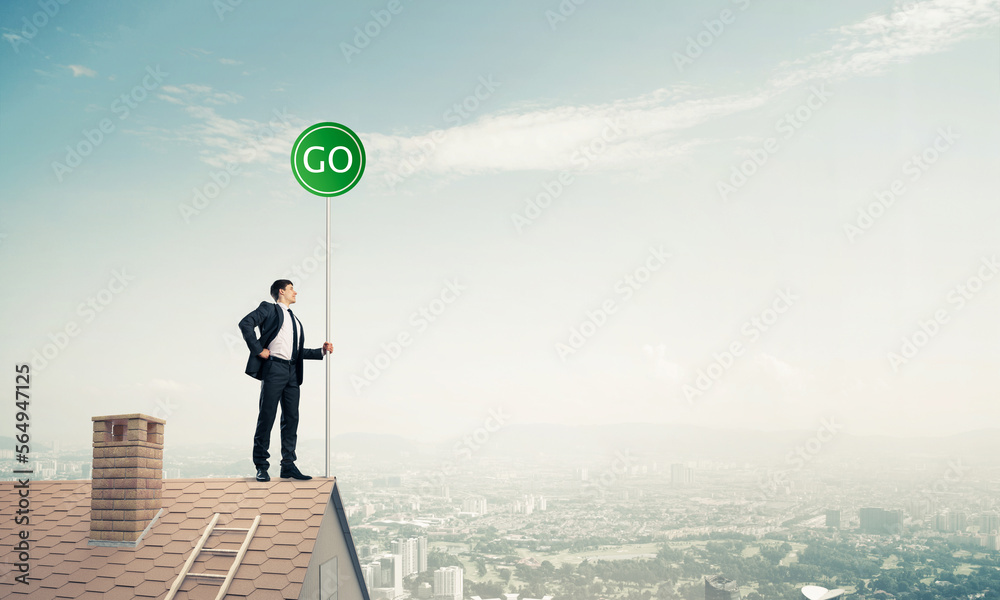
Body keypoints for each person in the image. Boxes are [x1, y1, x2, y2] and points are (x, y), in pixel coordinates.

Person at [238, 279, 333, 482]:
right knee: (267, 416)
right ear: (281, 291)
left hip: (292, 372)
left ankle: (288, 465)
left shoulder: (295, 320)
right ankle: (262, 466)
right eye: (291, 289)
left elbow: (296, 352)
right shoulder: (269, 309)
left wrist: (321, 352)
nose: (295, 292)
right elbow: (245, 323)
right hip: (274, 368)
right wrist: (257, 349)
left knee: (291, 419)